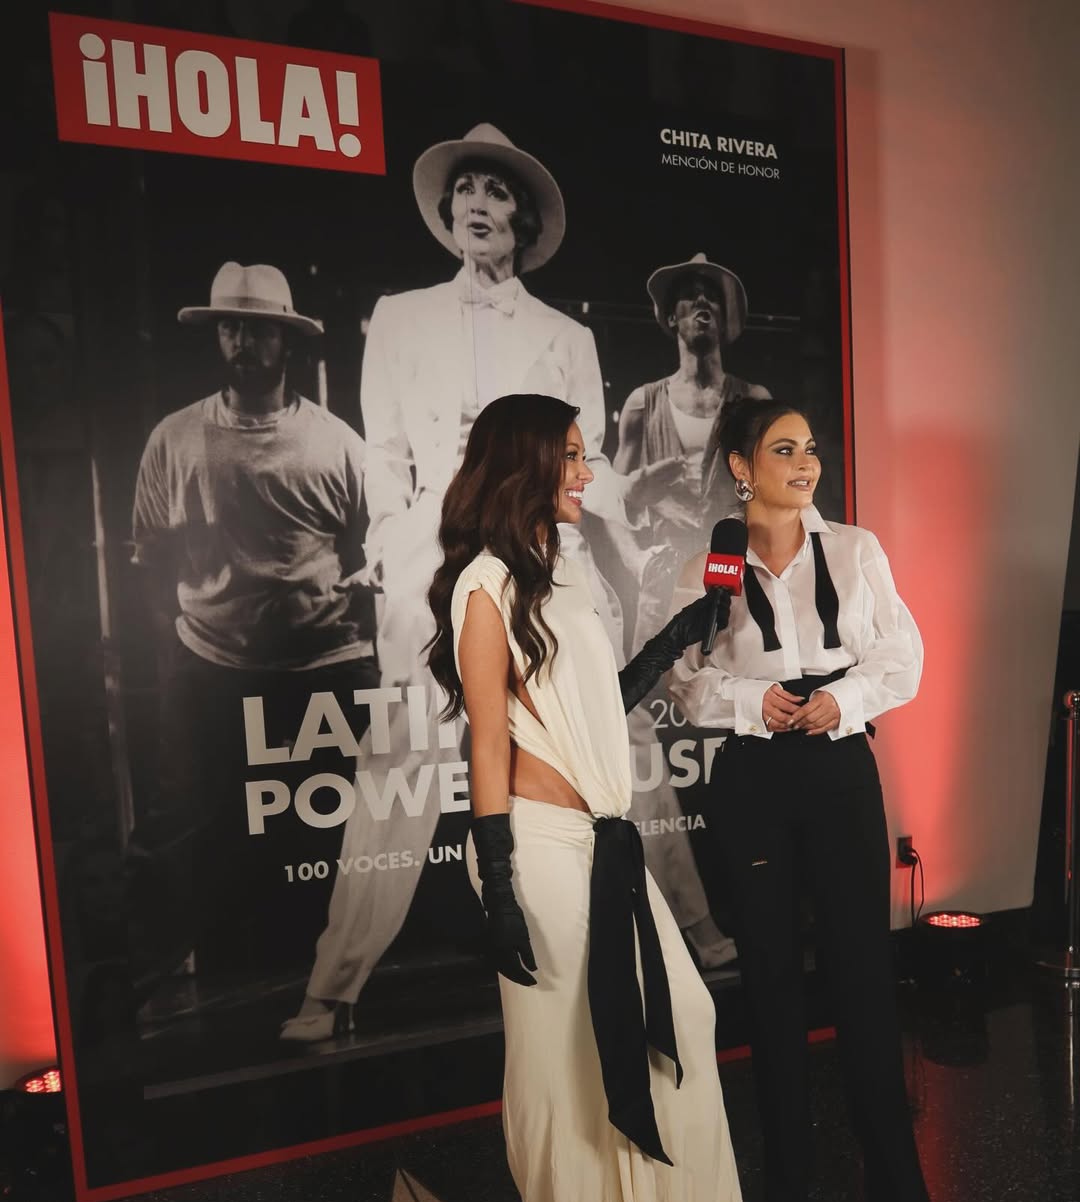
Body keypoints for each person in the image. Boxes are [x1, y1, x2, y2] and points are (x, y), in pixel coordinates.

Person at [427, 392, 778, 1202]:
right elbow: (489, 742)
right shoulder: (485, 585)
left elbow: (587, 703)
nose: (588, 471)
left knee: (681, 1021)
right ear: (528, 463)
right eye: (573, 456)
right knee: (565, 1070)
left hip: (602, 840)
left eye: (587, 455)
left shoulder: (566, 568)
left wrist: (670, 642)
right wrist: (499, 886)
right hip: (536, 848)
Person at [283, 122, 638, 1039]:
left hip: (541, 556)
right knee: (401, 758)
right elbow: (385, 454)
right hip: (431, 563)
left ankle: (665, 932)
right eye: (466, 190)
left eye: (497, 190)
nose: (478, 204)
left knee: (588, 738)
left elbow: (589, 458)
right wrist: (397, 547)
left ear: (523, 219)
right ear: (448, 212)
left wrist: (593, 549)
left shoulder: (564, 335)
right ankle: (334, 984)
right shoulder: (401, 316)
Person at [667, 396, 936, 1202]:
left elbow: (903, 655)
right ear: (741, 467)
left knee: (862, 975)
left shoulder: (856, 549)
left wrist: (843, 701)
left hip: (839, 768)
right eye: (783, 449)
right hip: (753, 779)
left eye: (809, 448)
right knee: (772, 984)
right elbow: (683, 679)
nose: (806, 463)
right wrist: (755, 702)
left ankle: (898, 1199)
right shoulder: (710, 564)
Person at [129, 261, 375, 987]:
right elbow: (150, 562)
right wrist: (184, 647)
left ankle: (330, 982)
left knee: (336, 829)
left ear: (285, 340)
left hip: (326, 664)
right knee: (189, 820)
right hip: (213, 663)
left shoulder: (335, 442)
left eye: (258, 330)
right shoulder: (174, 439)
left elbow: (375, 552)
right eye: (230, 328)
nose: (242, 342)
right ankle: (152, 984)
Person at [612, 253, 770, 970]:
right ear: (671, 317)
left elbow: (770, 495)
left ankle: (756, 902)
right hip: (660, 591)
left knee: (740, 731)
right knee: (645, 744)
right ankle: (680, 920)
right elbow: (615, 500)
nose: (700, 305)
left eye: (712, 296)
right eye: (688, 297)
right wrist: (648, 495)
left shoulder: (752, 397)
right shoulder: (643, 403)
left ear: (727, 317)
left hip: (733, 589)